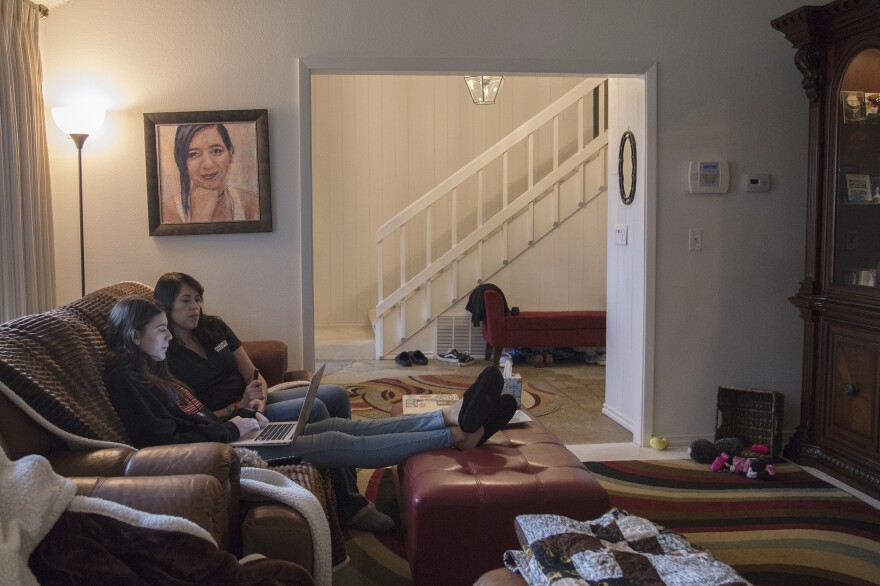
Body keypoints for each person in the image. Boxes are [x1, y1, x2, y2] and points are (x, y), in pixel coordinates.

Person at [104, 295, 514, 475]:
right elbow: (159, 443)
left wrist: (239, 415)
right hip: (220, 452)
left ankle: (450, 417)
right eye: (160, 330)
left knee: (343, 426)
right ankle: (454, 437)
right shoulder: (128, 379)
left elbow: (196, 416)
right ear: (135, 335)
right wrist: (232, 428)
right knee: (338, 444)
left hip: (232, 433)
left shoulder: (153, 370)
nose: (169, 337)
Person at [153, 271, 389, 531]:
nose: (194, 307)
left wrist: (260, 397)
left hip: (254, 402)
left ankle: (345, 483)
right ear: (166, 306)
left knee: (336, 394)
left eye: (197, 299)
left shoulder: (213, 327)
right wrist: (239, 407)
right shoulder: (165, 352)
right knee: (316, 407)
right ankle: (350, 507)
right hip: (229, 417)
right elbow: (199, 417)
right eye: (185, 301)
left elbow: (252, 373)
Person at [165, 123, 259, 224]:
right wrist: (199, 217)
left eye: (217, 151)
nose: (208, 164)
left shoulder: (253, 204)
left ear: (230, 154)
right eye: (193, 154)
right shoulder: (167, 212)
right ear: (182, 162)